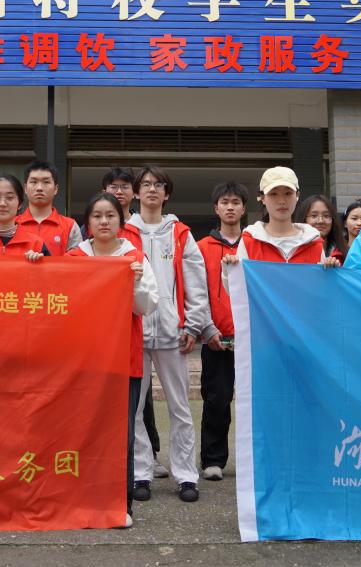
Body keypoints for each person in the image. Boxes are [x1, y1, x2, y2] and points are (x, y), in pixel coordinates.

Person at [67, 192, 158, 528]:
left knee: (121, 434)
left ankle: (120, 503)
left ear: (121, 221)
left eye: (110, 216)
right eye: (97, 216)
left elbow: (146, 306)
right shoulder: (74, 258)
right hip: (83, 360)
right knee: (83, 430)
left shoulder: (134, 257)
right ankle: (81, 500)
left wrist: (135, 283)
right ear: (87, 222)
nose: (104, 222)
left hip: (124, 358)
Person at [128, 165, 213, 504]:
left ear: (167, 193)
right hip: (134, 332)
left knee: (180, 406)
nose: (152, 189)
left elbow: (196, 282)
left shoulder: (180, 233)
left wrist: (193, 324)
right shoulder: (124, 232)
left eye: (158, 184)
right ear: (136, 192)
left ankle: (186, 475)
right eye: (146, 184)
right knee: (134, 409)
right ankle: (141, 473)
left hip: (173, 333)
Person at [102, 165, 161, 468]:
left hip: (134, 337)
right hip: (95, 345)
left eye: (125, 186)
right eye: (113, 186)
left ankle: (144, 463)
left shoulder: (135, 240)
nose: (104, 222)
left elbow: (147, 299)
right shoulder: (81, 250)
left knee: (138, 405)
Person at [196, 181, 246, 482]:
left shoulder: (254, 244)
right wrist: (207, 328)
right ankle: (213, 459)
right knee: (216, 399)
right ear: (216, 208)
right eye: (225, 202)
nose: (230, 207)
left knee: (254, 401)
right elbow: (196, 291)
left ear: (244, 208)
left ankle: (253, 461)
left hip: (251, 337)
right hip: (216, 336)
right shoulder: (202, 247)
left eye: (235, 202)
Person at [16, 160, 82, 255]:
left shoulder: (70, 226)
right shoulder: (13, 224)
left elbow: (76, 261)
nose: (39, 188)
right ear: (25, 188)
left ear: (56, 189)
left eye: (46, 182)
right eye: (34, 182)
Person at [102, 166, 145, 250]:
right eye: (113, 187)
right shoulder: (92, 225)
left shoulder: (143, 224)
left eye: (125, 187)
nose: (119, 192)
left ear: (134, 193)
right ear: (104, 193)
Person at [295, 193, 347, 261]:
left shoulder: (344, 252)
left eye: (326, 216)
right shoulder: (293, 250)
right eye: (314, 216)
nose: (320, 221)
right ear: (304, 219)